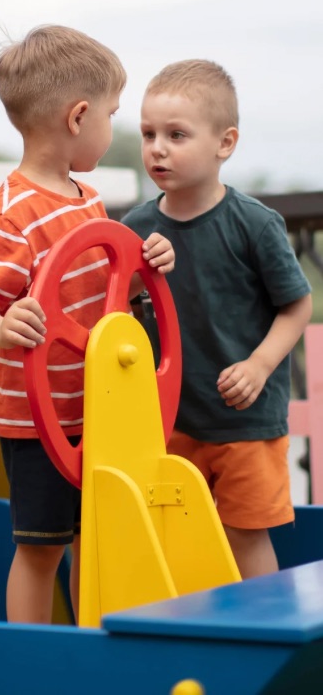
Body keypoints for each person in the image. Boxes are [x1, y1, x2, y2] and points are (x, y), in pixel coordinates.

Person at [0, 25, 175, 624]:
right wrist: (3, 328)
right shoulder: (14, 212)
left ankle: (86, 642)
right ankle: (29, 658)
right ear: (79, 117)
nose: (114, 127)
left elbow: (98, 291)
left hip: (97, 405)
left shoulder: (87, 198)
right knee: (41, 546)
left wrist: (142, 273)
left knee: (93, 537)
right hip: (39, 418)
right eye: (112, 114)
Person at [122, 60, 312, 580]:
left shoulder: (254, 223)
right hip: (171, 420)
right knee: (177, 541)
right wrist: (137, 277)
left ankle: (265, 640)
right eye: (148, 134)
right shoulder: (135, 227)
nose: (157, 147)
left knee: (246, 537)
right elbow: (112, 309)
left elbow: (297, 304)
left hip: (245, 421)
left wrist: (258, 365)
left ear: (224, 144)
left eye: (176, 135)